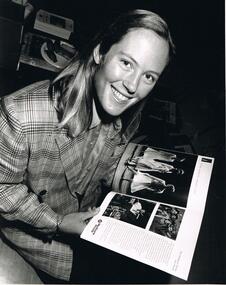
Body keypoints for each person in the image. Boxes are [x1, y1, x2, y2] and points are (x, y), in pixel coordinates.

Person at [0, 8, 175, 283]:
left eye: (149, 76)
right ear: (100, 53)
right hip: (43, 235)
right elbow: (2, 188)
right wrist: (56, 223)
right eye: (127, 63)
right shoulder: (19, 114)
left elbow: (105, 167)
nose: (132, 86)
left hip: (92, 223)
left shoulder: (126, 112)